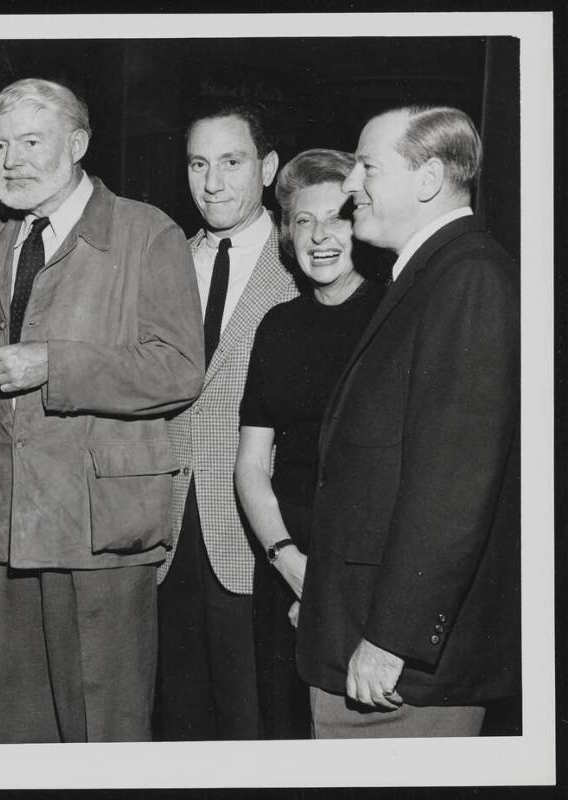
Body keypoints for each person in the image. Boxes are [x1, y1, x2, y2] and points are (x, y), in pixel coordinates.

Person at [0, 77, 203, 743]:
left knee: (104, 733)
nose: (10, 160)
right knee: (20, 731)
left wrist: (53, 364)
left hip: (98, 530)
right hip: (5, 526)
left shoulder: (145, 233)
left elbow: (178, 368)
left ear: (78, 145)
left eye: (32, 141)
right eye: (0, 145)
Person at [297, 106, 520, 738]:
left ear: (427, 180)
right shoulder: (430, 276)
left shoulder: (469, 279)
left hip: (400, 672)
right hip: (361, 641)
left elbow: (454, 485)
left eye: (366, 166)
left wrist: (392, 637)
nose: (348, 185)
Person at [156, 103, 299, 741]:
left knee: (254, 725)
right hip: (162, 533)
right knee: (177, 722)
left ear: (267, 169)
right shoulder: (160, 265)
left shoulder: (306, 264)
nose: (212, 182)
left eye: (232, 162)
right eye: (198, 163)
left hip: (257, 532)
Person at [234, 149, 385, 739]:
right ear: (285, 233)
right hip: (285, 558)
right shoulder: (278, 324)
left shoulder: (393, 315)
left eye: (337, 217)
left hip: (364, 565)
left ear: (362, 225)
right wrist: (285, 559)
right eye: (302, 220)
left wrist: (328, 581)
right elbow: (251, 464)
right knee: (284, 729)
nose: (320, 236)